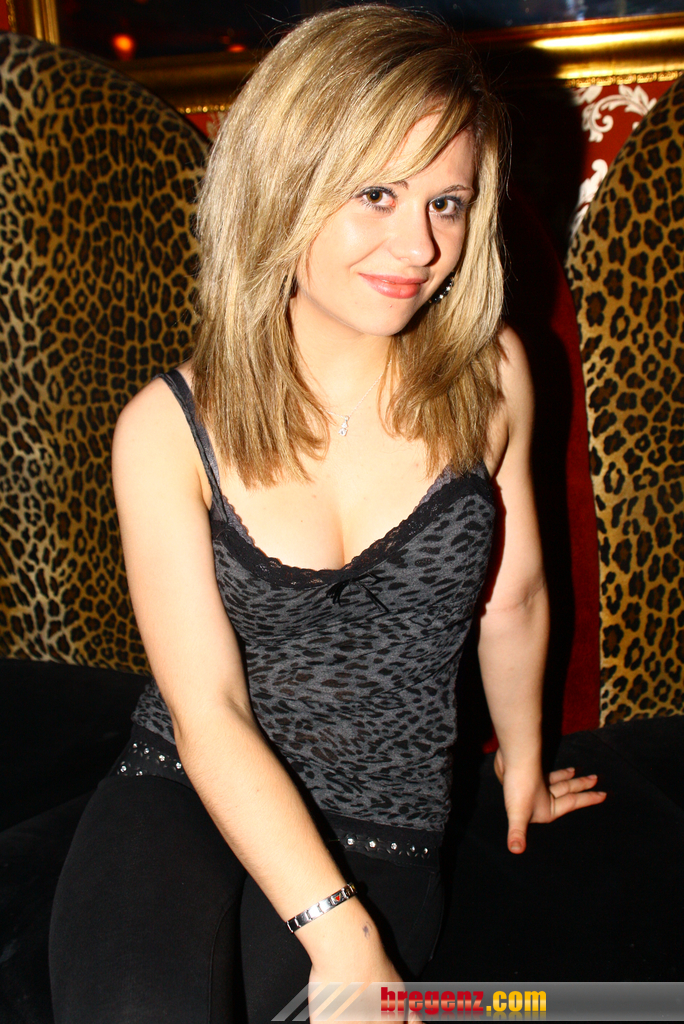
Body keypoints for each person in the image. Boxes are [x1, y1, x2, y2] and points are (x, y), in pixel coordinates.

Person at [49, 6, 606, 1023]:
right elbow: (209, 713)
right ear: (284, 186)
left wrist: (523, 760)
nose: (419, 244)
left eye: (447, 202)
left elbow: (516, 596)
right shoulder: (166, 429)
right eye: (377, 193)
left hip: (383, 815)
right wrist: (341, 931)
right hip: (185, 782)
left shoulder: (491, 378)